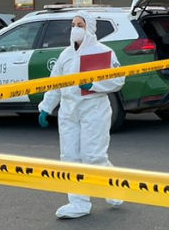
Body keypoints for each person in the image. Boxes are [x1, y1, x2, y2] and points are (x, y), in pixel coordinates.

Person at [38, 12, 126, 219]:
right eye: (73, 24)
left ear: (91, 28)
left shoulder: (104, 52)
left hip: (94, 108)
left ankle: (114, 188)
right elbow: (54, 83)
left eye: (80, 25)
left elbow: (118, 80)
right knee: (69, 157)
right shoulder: (66, 55)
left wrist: (94, 84)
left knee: (93, 156)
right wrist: (46, 106)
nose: (75, 28)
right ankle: (78, 203)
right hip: (68, 111)